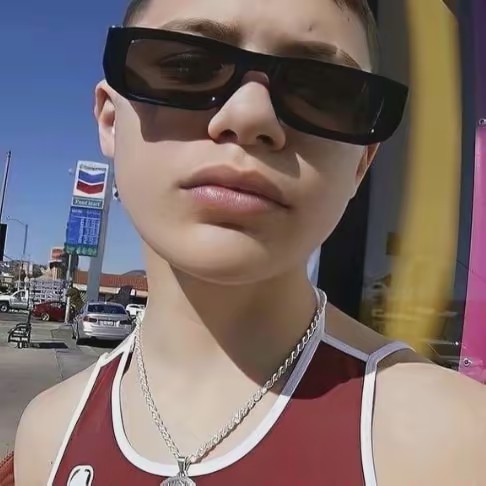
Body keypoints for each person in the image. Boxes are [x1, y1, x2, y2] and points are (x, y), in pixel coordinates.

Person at [12, 0, 486, 484]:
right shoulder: (48, 435)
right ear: (111, 120)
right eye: (187, 66)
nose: (250, 115)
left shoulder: (456, 442)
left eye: (320, 89)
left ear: (361, 163)